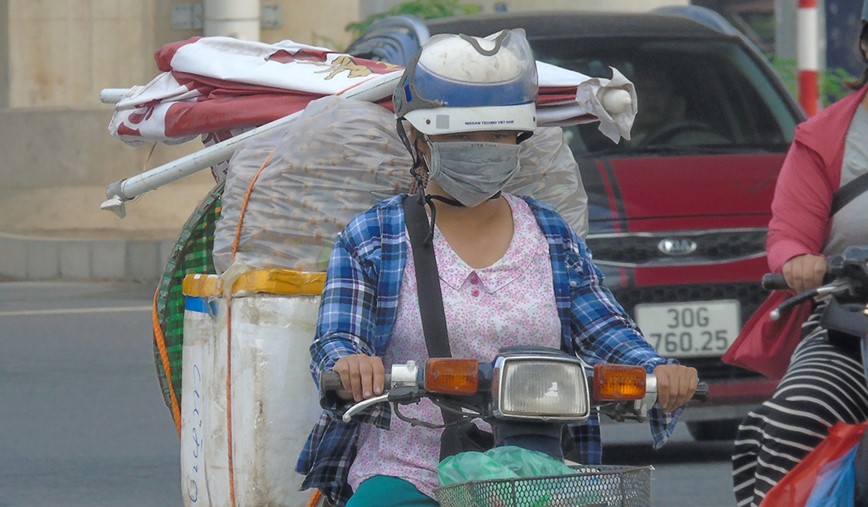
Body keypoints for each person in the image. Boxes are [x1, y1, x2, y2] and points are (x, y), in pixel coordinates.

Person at [295, 28, 699, 507]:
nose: (483, 145)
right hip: (411, 470)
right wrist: (349, 362)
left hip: (540, 474)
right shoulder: (372, 237)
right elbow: (337, 336)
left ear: (520, 136)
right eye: (464, 134)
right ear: (418, 136)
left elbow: (608, 331)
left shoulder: (552, 235)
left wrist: (656, 371)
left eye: (499, 133)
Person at [731, 4, 868, 505]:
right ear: (866, 45)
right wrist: (796, 262)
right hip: (852, 329)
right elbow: (788, 235)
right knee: (794, 414)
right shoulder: (825, 137)